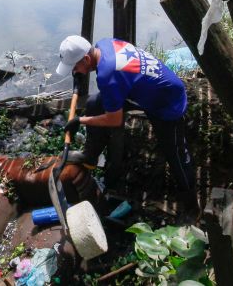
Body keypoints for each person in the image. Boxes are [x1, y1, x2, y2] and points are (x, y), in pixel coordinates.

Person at [54, 35, 200, 223]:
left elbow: (114, 120)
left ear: (87, 59)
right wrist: (80, 79)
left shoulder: (107, 75)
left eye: (75, 68)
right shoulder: (104, 44)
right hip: (140, 88)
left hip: (165, 101)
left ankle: (192, 207)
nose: (75, 72)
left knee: (176, 154)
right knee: (94, 103)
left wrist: (80, 121)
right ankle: (90, 155)